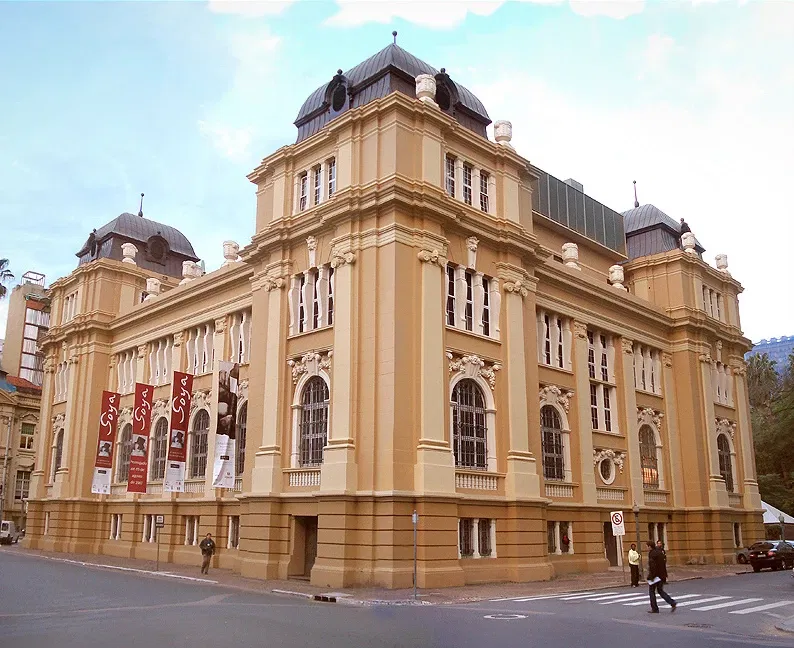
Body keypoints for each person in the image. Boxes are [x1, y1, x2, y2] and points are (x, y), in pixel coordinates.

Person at [647, 540, 676, 613]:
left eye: (647, 546)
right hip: (662, 575)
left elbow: (653, 566)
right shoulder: (659, 552)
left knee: (651, 592)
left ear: (650, 546)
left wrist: (651, 577)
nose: (647, 548)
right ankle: (672, 602)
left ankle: (655, 608)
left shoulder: (652, 554)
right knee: (660, 591)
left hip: (655, 576)